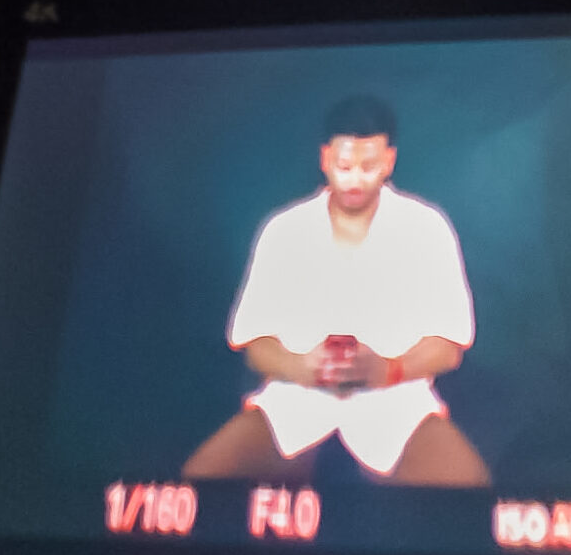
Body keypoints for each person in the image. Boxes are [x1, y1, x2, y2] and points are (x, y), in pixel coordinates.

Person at [183, 95, 490, 486]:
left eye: (369, 166)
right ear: (325, 158)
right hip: (293, 401)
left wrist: (387, 369)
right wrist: (301, 367)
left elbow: (448, 347)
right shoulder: (284, 230)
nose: (355, 179)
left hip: (396, 404)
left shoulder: (427, 228)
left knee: (467, 488)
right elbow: (255, 344)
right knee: (196, 484)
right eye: (344, 167)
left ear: (389, 161)